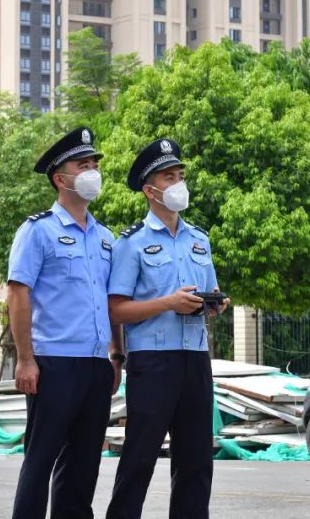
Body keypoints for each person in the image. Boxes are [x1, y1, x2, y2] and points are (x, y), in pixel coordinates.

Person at [106, 138, 229, 519]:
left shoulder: (199, 240)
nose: (178, 183)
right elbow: (116, 309)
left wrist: (215, 304)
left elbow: (210, 290)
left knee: (196, 461)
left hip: (196, 358)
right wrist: (168, 303)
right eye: (168, 177)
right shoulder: (132, 243)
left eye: (180, 175)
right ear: (150, 190)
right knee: (139, 458)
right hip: (153, 362)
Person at [7, 127, 124, 519]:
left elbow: (110, 302)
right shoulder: (38, 231)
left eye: (94, 165)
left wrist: (115, 355)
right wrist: (25, 359)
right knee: (40, 459)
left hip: (95, 365)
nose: (92, 172)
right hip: (53, 363)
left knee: (83, 464)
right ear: (60, 178)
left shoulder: (105, 238)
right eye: (83, 165)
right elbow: (17, 294)